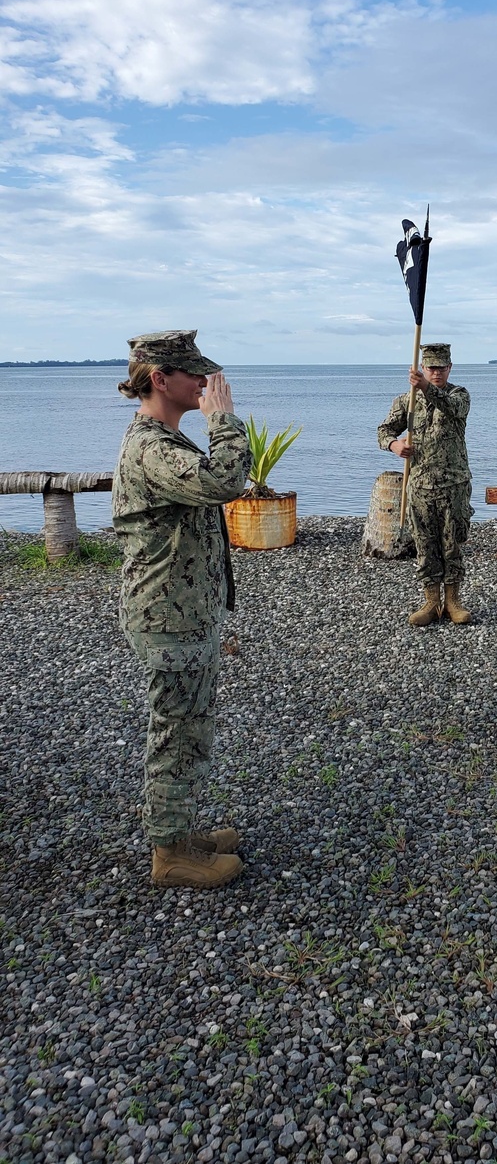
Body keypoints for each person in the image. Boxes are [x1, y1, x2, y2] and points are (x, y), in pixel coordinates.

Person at [113, 330, 251, 888]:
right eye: (192, 373)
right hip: (168, 617)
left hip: (184, 611)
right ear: (160, 380)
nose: (204, 381)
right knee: (176, 730)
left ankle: (179, 831)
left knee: (190, 727)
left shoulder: (163, 439)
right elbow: (226, 481)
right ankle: (169, 854)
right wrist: (223, 419)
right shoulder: (152, 448)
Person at [378, 343, 473, 625]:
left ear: (450, 368)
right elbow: (383, 430)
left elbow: (450, 406)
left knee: (452, 544)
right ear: (422, 368)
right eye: (431, 368)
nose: (436, 373)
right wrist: (395, 444)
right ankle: (431, 602)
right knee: (425, 545)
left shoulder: (459, 395)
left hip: (453, 484)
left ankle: (453, 602)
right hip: (419, 485)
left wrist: (425, 388)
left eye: (441, 368)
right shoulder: (406, 401)